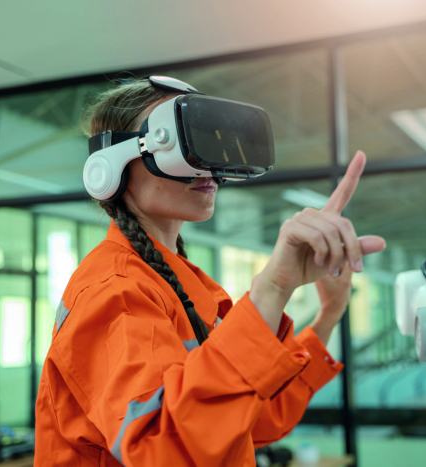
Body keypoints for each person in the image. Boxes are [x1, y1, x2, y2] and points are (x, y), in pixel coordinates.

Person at [34, 77, 386, 466]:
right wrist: (271, 289)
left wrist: (328, 315)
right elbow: (163, 447)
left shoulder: (181, 283)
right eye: (184, 148)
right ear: (112, 164)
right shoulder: (114, 291)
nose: (209, 170)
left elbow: (253, 415)